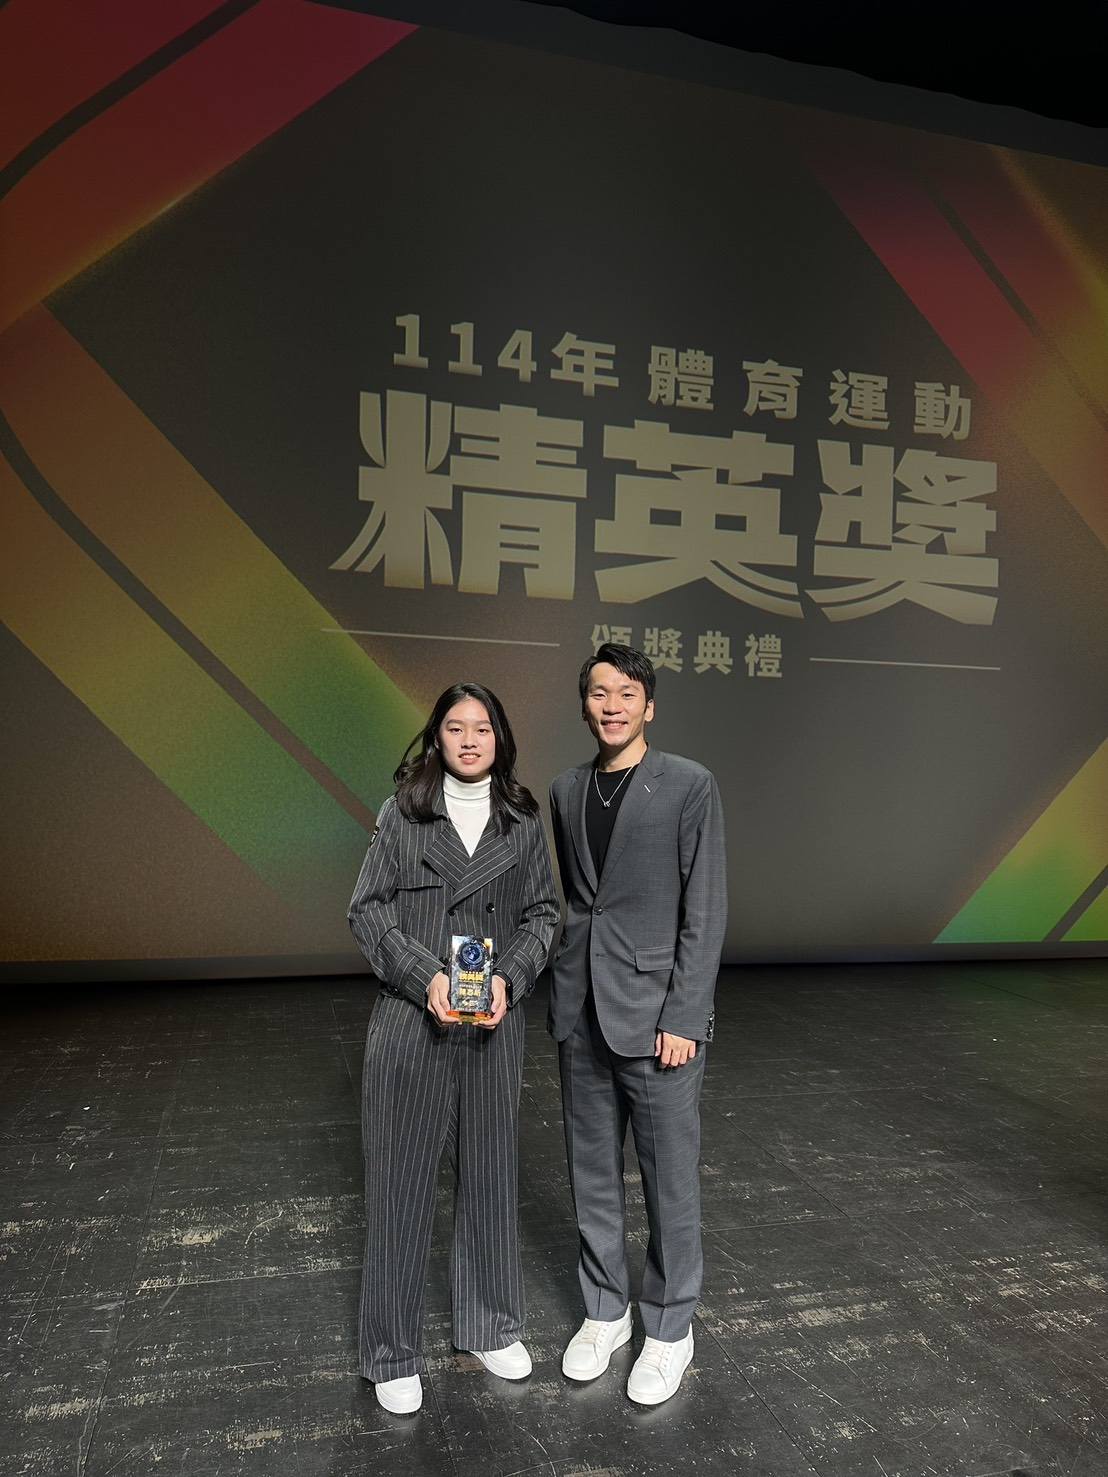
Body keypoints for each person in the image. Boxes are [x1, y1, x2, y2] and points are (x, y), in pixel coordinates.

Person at [348, 682, 558, 1415]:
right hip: (413, 1019)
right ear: (436, 736)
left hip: (493, 1022)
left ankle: (489, 1324)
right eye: (456, 727)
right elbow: (367, 911)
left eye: (483, 728)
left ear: (500, 738)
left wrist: (509, 978)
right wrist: (424, 976)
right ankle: (391, 1351)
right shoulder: (403, 813)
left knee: (491, 1176)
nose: (470, 740)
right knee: (400, 1186)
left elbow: (544, 914)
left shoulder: (521, 819)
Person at [548, 643, 726, 1406]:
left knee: (668, 1180)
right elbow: (581, 901)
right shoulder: (565, 790)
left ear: (648, 705)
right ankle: (605, 1311)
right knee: (590, 1172)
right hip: (580, 1009)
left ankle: (670, 1326)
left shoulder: (688, 783)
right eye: (599, 692)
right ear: (584, 705)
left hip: (658, 1020)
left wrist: (685, 1012)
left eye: (626, 692)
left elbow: (704, 907)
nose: (612, 704)